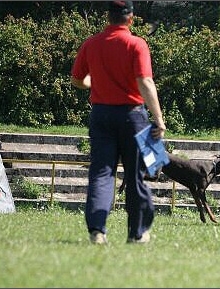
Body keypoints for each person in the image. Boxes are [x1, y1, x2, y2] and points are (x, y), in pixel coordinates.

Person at [70, 1, 166, 244]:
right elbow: (144, 81)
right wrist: (158, 118)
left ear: (108, 17)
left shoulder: (91, 44)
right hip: (132, 116)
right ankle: (137, 233)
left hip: (101, 115)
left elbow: (78, 80)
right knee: (135, 175)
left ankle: (97, 230)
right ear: (131, 18)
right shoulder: (136, 44)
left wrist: (94, 83)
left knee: (102, 173)